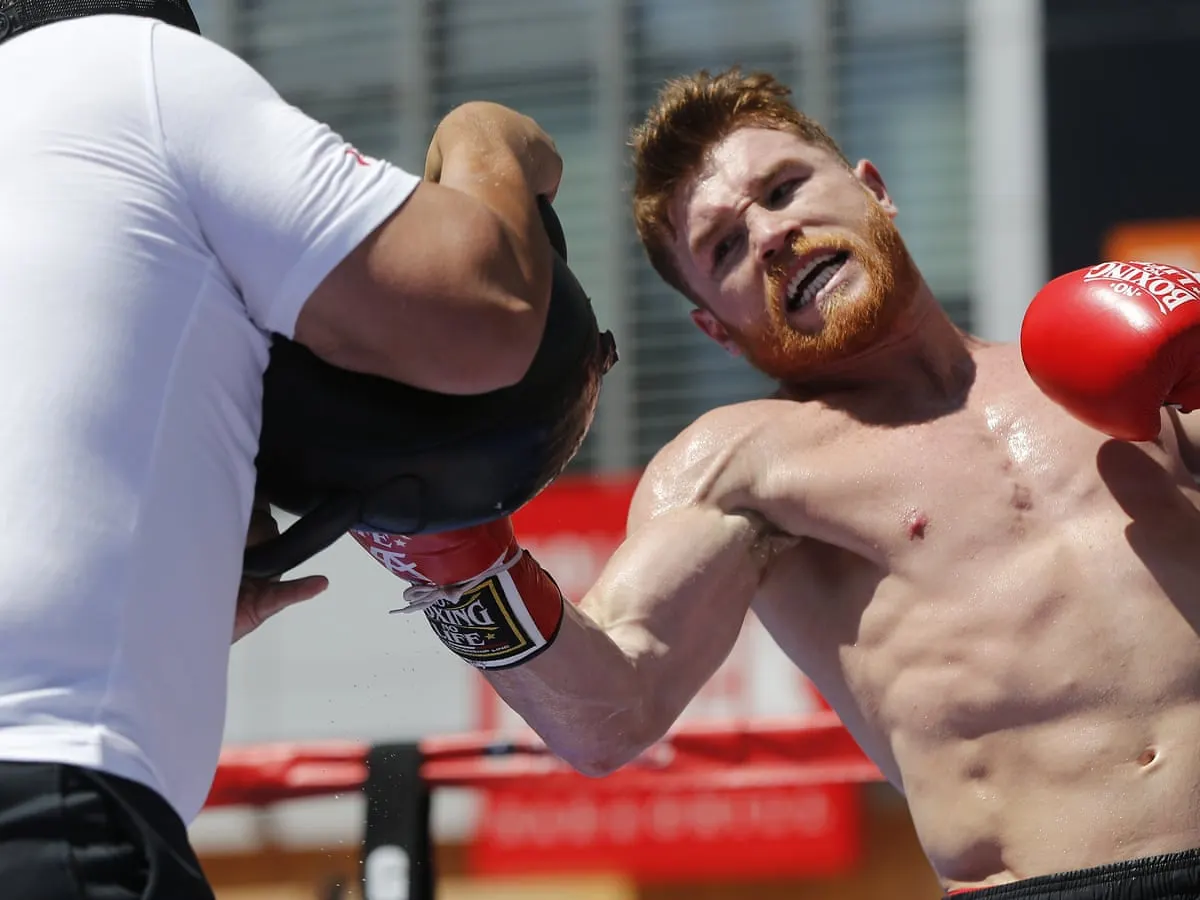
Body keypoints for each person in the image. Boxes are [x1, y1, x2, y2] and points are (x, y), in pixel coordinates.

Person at [353, 68, 1200, 899]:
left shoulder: (1103, 366)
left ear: (874, 190)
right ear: (716, 329)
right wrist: (459, 565)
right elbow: (605, 718)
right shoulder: (742, 465)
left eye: (784, 189)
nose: (768, 235)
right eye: (724, 246)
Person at [0, 2, 562, 897]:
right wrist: (488, 136)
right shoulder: (134, 69)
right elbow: (484, 308)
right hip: (46, 802)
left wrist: (167, 599)